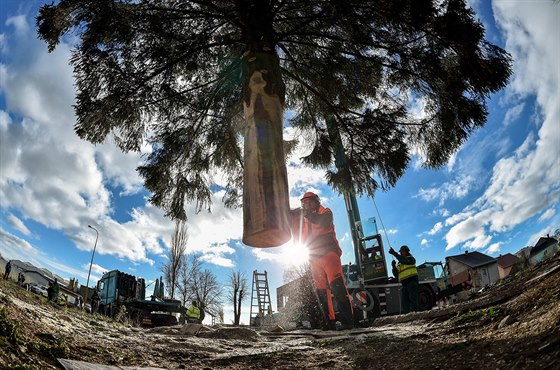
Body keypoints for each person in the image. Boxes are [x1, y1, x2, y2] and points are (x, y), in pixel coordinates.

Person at [290, 191, 354, 330]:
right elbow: (296, 238)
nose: (306, 205)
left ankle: (349, 322)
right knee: (321, 293)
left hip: (329, 255)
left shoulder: (325, 212)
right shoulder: (304, 221)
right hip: (314, 258)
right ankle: (328, 322)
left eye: (309, 202)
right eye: (304, 203)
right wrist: (289, 216)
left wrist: (303, 215)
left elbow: (324, 222)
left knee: (337, 287)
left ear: (316, 202)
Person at [389, 245, 419, 313]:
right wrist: (393, 267)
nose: (401, 253)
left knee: (413, 299)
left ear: (406, 251)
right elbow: (396, 274)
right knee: (404, 301)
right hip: (404, 284)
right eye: (400, 252)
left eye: (402, 251)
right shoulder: (399, 263)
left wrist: (394, 253)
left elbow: (404, 260)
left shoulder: (411, 259)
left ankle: (416, 314)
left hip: (412, 282)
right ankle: (407, 315)